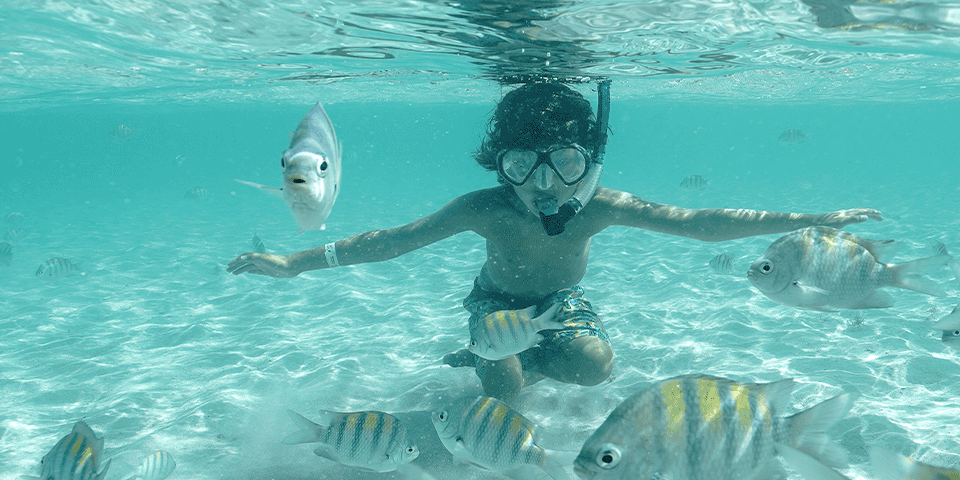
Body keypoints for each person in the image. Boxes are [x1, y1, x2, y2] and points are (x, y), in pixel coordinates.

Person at [226, 82, 881, 401]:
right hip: (496, 303)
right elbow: (394, 241)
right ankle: (492, 356)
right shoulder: (483, 208)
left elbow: (698, 223)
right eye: (520, 165)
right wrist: (296, 262)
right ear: (497, 163)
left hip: (562, 300)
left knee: (598, 368)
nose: (542, 185)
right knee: (505, 396)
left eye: (563, 164)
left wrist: (808, 218)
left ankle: (515, 359)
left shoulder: (601, 207)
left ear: (589, 161)